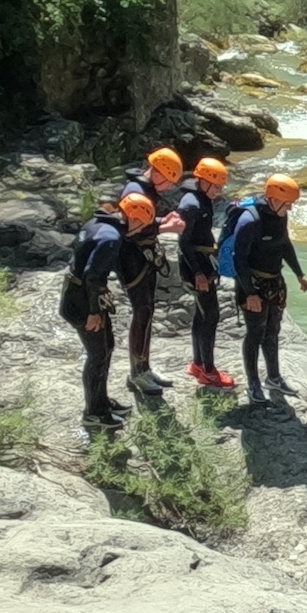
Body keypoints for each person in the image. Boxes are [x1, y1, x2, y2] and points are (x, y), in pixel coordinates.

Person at [60, 192, 154, 431]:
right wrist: (93, 312)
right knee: (97, 355)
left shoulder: (99, 223)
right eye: (141, 225)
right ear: (133, 219)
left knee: (107, 346)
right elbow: (93, 275)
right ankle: (93, 413)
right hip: (82, 301)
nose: (139, 231)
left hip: (81, 294)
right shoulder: (111, 237)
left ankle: (101, 401)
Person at [107, 146, 187, 397]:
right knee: (142, 311)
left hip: (141, 255)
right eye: (169, 182)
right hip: (130, 258)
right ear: (158, 173)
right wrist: (166, 227)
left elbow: (146, 219)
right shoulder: (135, 190)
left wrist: (163, 221)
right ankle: (137, 373)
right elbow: (134, 226)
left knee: (147, 310)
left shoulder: (145, 189)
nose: (169, 188)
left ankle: (144, 367)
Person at [231, 174, 307, 405]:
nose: (291, 208)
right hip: (252, 285)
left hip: (275, 281)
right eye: (288, 203)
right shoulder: (250, 221)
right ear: (273, 199)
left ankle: (274, 377)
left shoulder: (279, 216)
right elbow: (238, 260)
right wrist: (250, 293)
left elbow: (285, 245)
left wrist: (299, 273)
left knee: (272, 330)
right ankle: (253, 383)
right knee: (255, 333)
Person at [175, 157, 235, 390]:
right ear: (204, 181)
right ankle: (208, 372)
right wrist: (198, 273)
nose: (220, 191)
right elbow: (184, 243)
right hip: (195, 267)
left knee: (202, 314)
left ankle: (198, 363)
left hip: (203, 262)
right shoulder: (191, 206)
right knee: (210, 315)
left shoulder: (202, 198)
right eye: (217, 186)